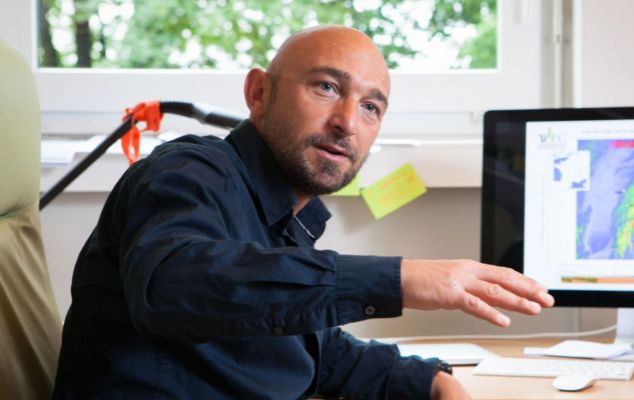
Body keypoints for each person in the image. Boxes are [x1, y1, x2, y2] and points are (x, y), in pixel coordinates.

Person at [52, 25, 554, 399]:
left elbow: (312, 353)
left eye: (370, 107)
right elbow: (176, 284)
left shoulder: (286, 218)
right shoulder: (189, 172)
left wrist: (430, 381)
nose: (346, 123)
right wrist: (400, 279)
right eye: (327, 88)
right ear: (258, 94)